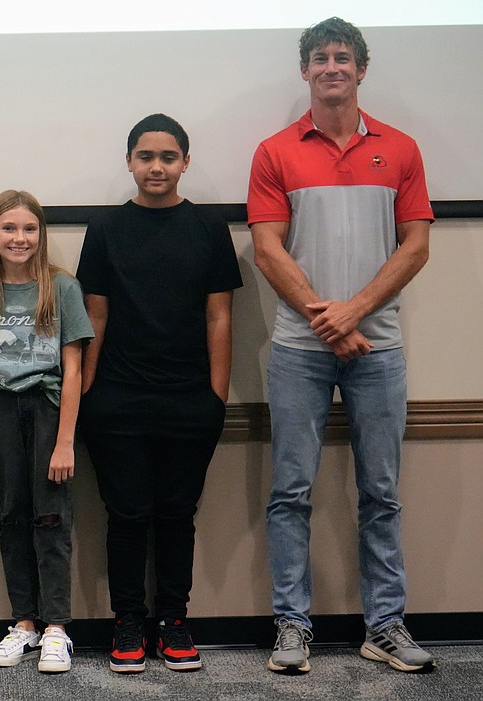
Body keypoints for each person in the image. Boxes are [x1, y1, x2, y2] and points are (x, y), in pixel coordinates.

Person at [248, 17, 434, 675]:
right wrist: (325, 317)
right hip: (299, 348)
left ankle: (384, 626)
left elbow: (416, 244)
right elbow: (267, 247)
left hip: (378, 349)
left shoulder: (402, 149)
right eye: (321, 57)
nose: (332, 67)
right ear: (305, 70)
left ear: (361, 69)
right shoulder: (275, 151)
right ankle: (292, 627)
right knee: (291, 490)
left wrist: (353, 311)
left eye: (344, 57)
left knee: (381, 492)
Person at [77, 114, 242, 674]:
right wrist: (89, 394)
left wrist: (215, 397)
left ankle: (173, 619)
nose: (156, 166)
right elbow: (94, 316)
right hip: (116, 400)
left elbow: (219, 316)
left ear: (185, 164)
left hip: (190, 400)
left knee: (176, 515)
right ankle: (127, 621)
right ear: (129, 161)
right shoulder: (104, 229)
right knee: (125, 515)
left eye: (167, 157)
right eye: (145, 156)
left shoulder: (209, 227)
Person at [0, 190, 93, 673]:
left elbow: (74, 367)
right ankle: (23, 625)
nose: (20, 239)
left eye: (29, 229)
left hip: (48, 410)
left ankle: (57, 627)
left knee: (51, 518)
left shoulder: (62, 288)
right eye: (9, 229)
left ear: (41, 233)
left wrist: (64, 440)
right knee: (12, 518)